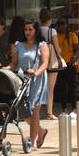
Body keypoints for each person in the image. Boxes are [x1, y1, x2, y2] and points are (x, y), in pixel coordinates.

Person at [15, 20, 50, 148]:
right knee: (24, 112)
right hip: (22, 79)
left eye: (30, 29)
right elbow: (14, 63)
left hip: (37, 80)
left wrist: (36, 72)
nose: (28, 32)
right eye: (26, 30)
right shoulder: (18, 44)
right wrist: (7, 68)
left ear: (36, 30)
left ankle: (30, 141)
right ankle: (41, 131)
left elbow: (45, 63)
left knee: (35, 111)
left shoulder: (42, 45)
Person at [54, 19, 79, 111]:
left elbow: (77, 49)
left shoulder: (72, 35)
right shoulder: (55, 36)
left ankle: (74, 108)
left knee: (72, 86)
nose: (61, 26)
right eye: (59, 24)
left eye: (63, 23)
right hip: (60, 64)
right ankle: (64, 108)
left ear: (66, 25)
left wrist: (75, 56)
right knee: (62, 87)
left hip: (71, 63)